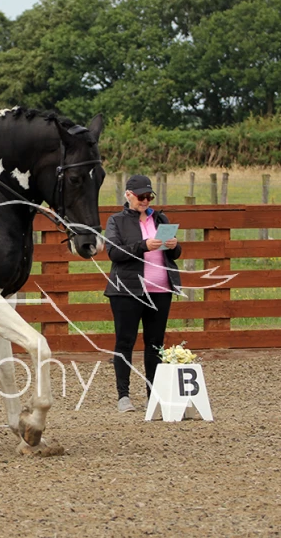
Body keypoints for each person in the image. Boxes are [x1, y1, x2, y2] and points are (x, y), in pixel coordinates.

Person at [104, 174, 182, 412]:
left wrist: (174, 246)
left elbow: (175, 254)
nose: (146, 200)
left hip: (160, 290)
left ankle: (153, 395)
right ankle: (123, 396)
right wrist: (143, 246)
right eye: (141, 197)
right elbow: (114, 253)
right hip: (128, 291)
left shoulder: (160, 218)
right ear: (128, 195)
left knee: (155, 344)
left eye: (149, 196)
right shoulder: (116, 221)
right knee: (125, 342)